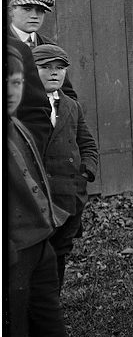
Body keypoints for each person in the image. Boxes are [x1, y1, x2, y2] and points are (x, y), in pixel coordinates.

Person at [5, 44, 69, 337]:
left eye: (15, 82)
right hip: (10, 251)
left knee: (45, 330)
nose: (11, 90)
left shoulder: (17, 124)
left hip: (37, 242)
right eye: (4, 84)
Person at [34, 44, 98, 288]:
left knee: (60, 253)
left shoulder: (71, 106)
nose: (54, 73)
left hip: (68, 196)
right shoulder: (21, 106)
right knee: (36, 255)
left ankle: (54, 303)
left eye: (59, 68)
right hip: (37, 198)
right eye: (46, 67)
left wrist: (85, 172)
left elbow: (88, 145)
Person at [7, 0, 76, 100]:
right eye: (27, 9)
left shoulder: (49, 46)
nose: (34, 15)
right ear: (10, 11)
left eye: (40, 10)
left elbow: (67, 94)